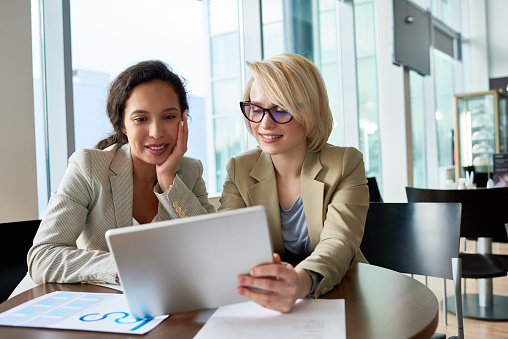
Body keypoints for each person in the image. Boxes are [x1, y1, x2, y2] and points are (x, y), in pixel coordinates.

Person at [27, 60, 215, 286]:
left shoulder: (190, 171)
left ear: (183, 120)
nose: (156, 132)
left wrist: (168, 181)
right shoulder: (89, 167)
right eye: (141, 119)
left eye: (168, 117)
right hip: (103, 308)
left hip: (174, 306)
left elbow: (213, 249)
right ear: (123, 125)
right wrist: (126, 266)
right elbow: (42, 257)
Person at [219, 53, 369, 313]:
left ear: (311, 112)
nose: (264, 123)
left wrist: (300, 283)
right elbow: (227, 240)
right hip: (266, 301)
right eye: (256, 108)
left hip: (340, 294)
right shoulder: (239, 169)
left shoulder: (345, 163)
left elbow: (339, 243)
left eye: (281, 110)